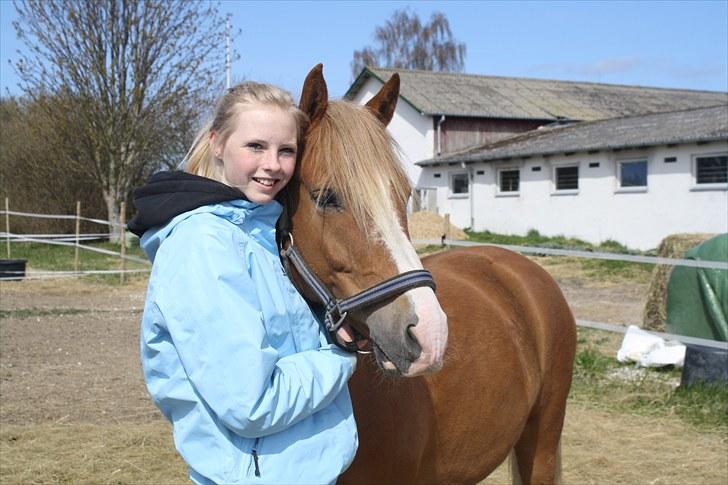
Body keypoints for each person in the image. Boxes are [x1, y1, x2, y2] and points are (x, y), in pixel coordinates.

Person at [128, 82, 359, 484]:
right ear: (217, 143)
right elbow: (252, 403)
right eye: (255, 146)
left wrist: (328, 327)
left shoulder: (257, 232)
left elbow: (282, 339)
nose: (273, 165)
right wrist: (341, 357)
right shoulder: (203, 245)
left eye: (285, 151)